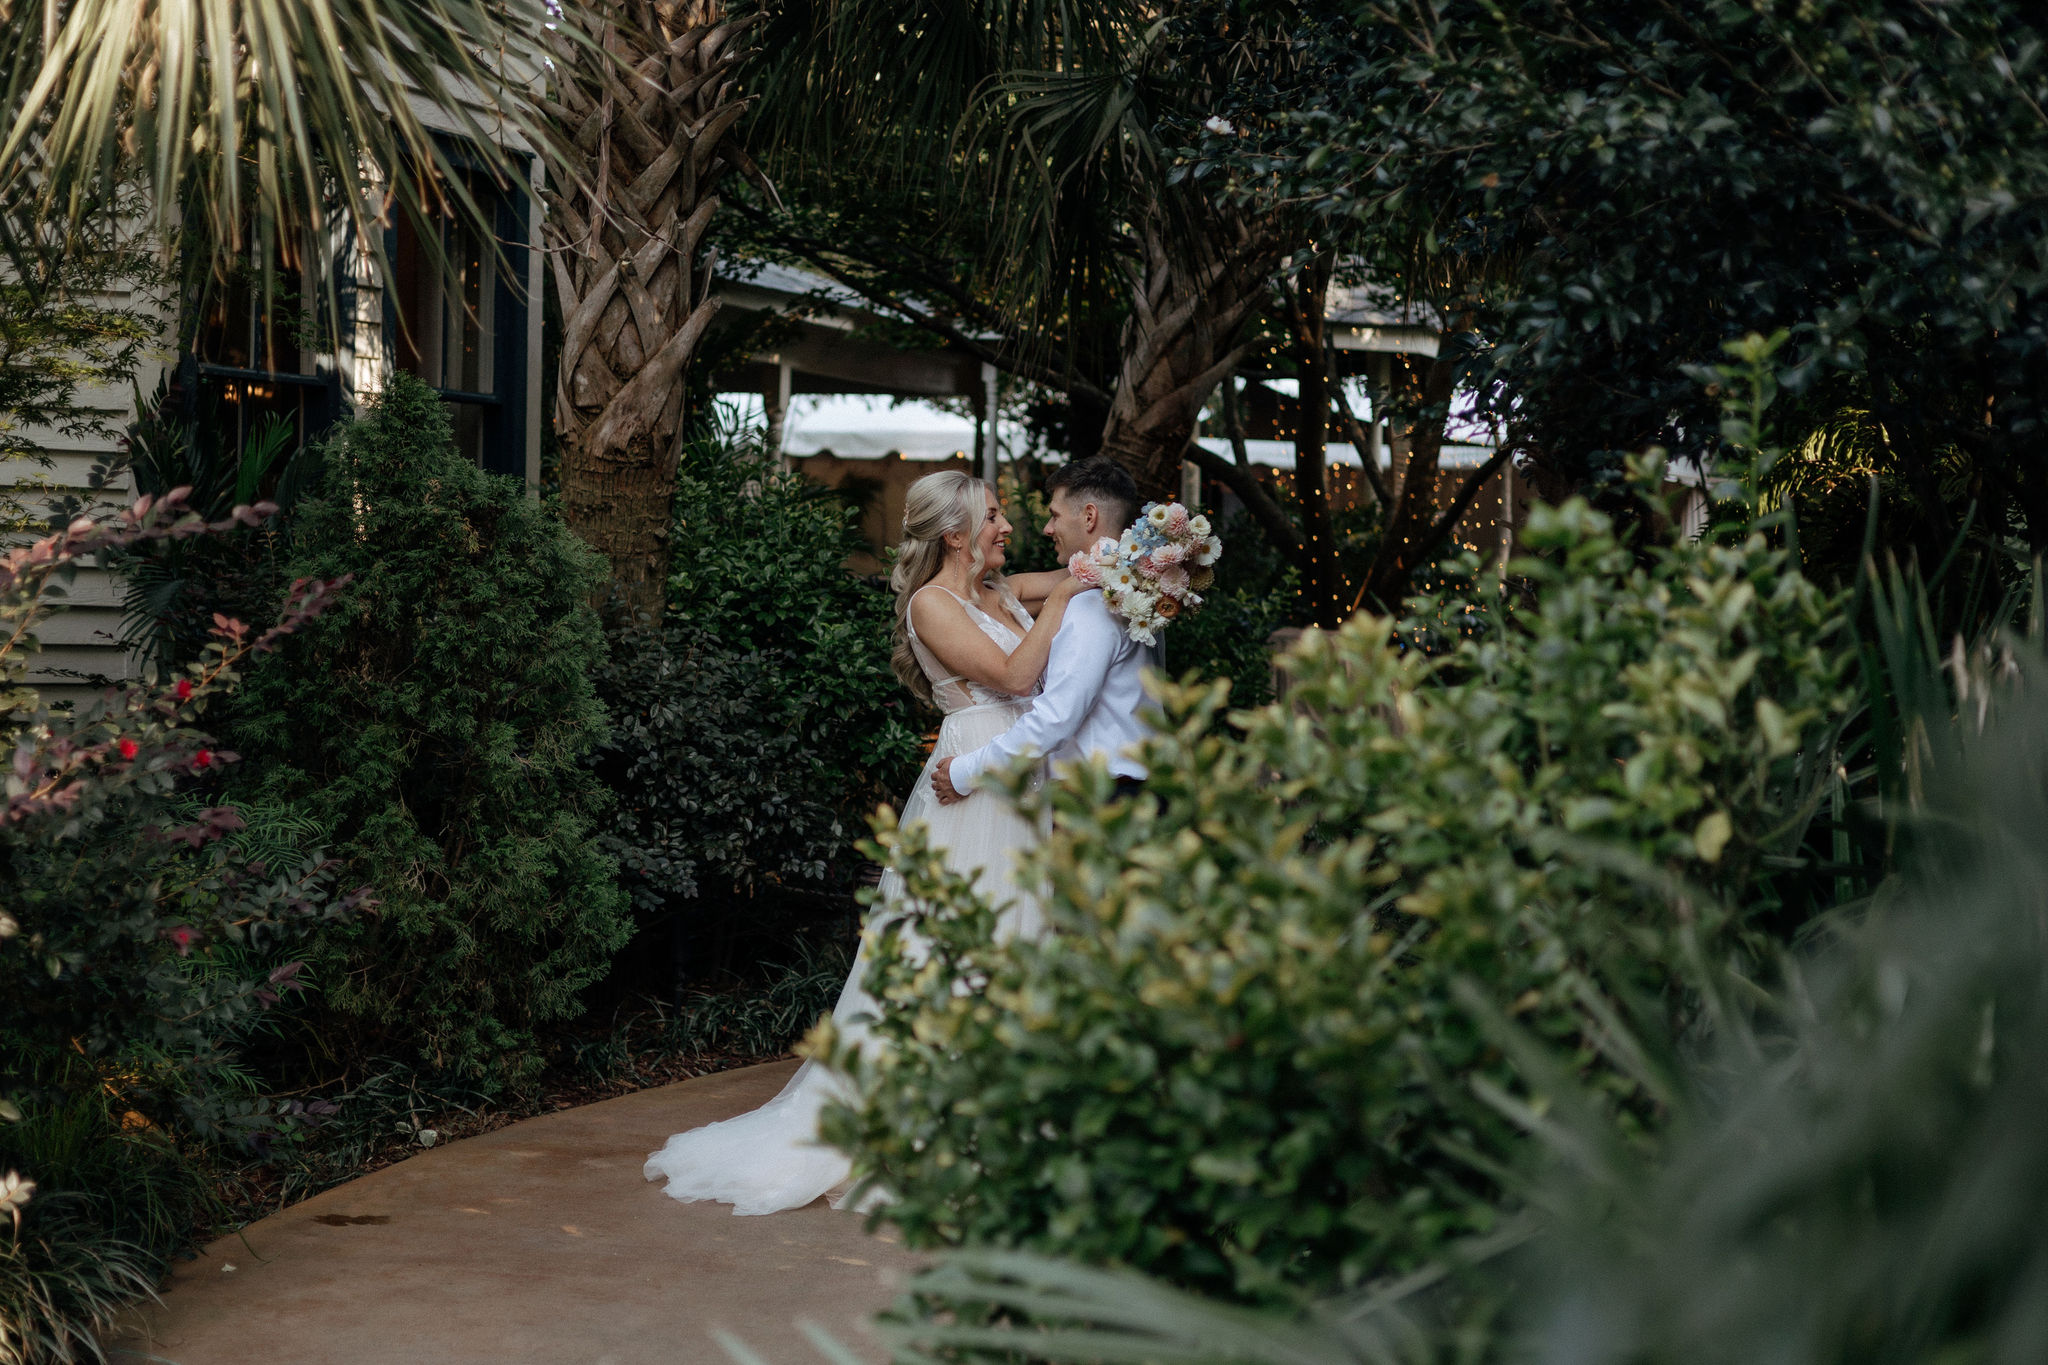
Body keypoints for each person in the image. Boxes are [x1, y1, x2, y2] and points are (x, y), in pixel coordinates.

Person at [643, 469, 1084, 1216]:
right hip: (971, 789)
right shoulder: (933, 604)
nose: (1007, 526)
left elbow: (1075, 572)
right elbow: (1018, 670)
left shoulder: (998, 592)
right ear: (954, 532)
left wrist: (1144, 559)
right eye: (994, 516)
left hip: (1015, 783)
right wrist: (1071, 595)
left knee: (1015, 939)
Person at [932, 456, 1148, 808]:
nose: (1046, 528)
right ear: (954, 535)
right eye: (992, 517)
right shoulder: (1136, 594)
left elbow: (1056, 718)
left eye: (1054, 515)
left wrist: (965, 772)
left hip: (1101, 798)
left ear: (1089, 516)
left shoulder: (1091, 604)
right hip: (1113, 789)